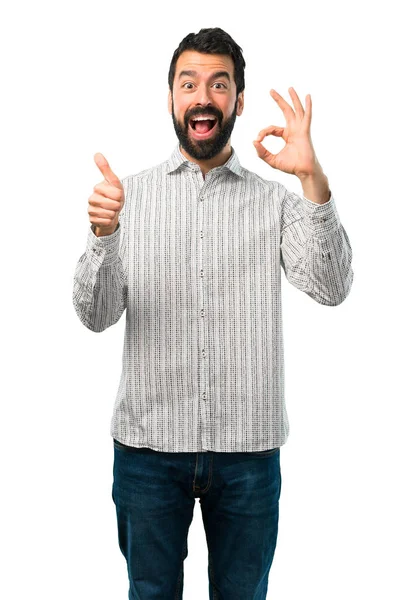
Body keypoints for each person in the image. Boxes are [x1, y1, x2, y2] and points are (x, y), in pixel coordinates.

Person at [73, 27, 353, 600]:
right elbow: (94, 316)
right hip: (148, 453)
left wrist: (312, 180)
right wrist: (102, 238)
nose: (203, 96)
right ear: (172, 98)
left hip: (248, 454)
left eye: (219, 84)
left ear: (238, 102)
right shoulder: (126, 197)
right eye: (189, 83)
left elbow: (331, 286)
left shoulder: (276, 201)